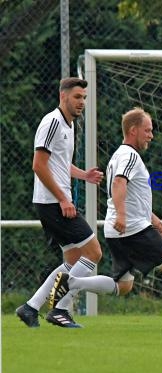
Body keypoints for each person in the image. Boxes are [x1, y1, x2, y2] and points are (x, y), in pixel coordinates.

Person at [48, 108, 162, 331]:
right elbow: (118, 184)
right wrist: (123, 216)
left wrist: (153, 219)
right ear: (133, 130)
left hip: (119, 230)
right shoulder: (129, 155)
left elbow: (131, 194)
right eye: (148, 130)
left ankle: (72, 282)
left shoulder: (121, 155)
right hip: (132, 228)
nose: (151, 135)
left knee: (123, 285)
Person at [16, 77, 104, 328]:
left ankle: (31, 308)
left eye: (84, 98)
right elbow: (39, 165)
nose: (82, 102)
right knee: (93, 252)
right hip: (52, 203)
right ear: (62, 96)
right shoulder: (52, 122)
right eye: (77, 97)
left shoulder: (69, 125)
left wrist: (84, 175)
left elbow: (59, 164)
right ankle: (60, 308)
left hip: (56, 202)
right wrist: (64, 198)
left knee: (74, 260)